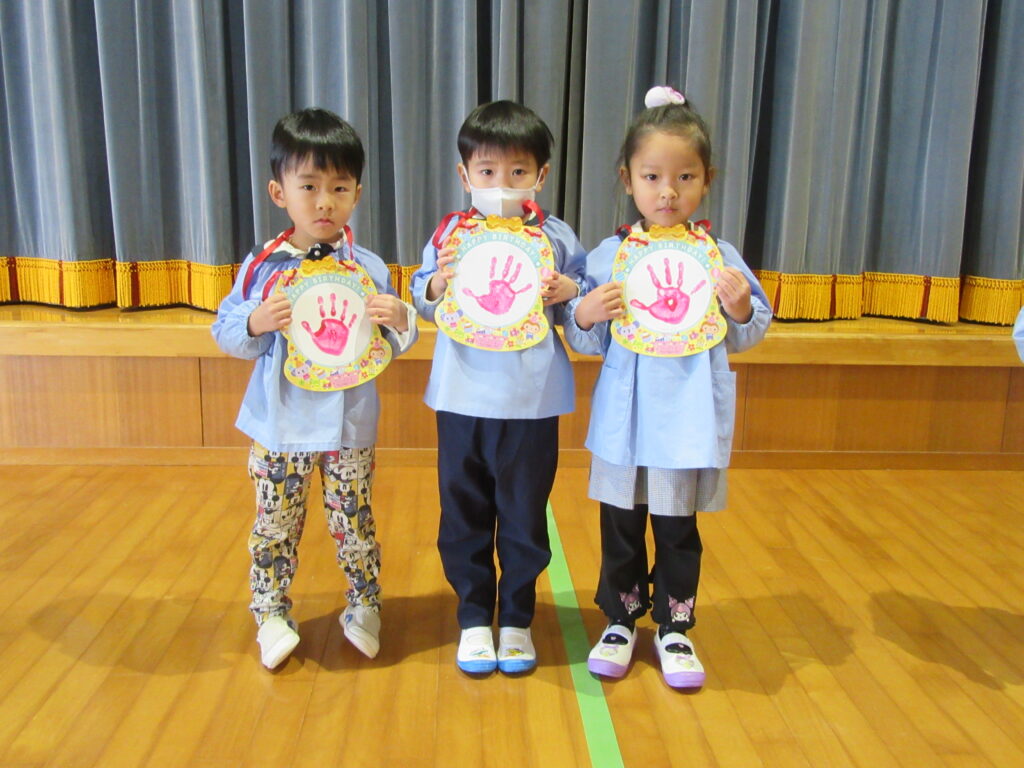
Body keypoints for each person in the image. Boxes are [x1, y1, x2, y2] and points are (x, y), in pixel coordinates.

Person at [563, 87, 771, 689]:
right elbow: (583, 337)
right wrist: (584, 315)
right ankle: (621, 619)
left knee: (679, 526)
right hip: (626, 421)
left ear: (707, 181)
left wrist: (739, 307)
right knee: (621, 523)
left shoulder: (717, 255)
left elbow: (751, 328)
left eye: (685, 177)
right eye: (652, 177)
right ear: (627, 180)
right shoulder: (611, 255)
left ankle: (676, 625)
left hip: (686, 419)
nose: (668, 192)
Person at [212, 108, 417, 670]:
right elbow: (226, 330)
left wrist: (400, 317)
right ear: (279, 192)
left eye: (339, 188)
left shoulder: (367, 267)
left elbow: (394, 341)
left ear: (356, 194)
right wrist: (256, 321)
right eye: (309, 187)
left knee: (355, 520)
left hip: (350, 426)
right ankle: (270, 611)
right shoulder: (262, 267)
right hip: (280, 427)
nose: (325, 202)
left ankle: (364, 603)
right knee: (274, 524)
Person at [411, 101, 586, 675]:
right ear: (465, 176)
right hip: (461, 396)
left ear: (541, 174)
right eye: (487, 171)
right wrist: (437, 283)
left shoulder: (555, 237)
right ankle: (471, 616)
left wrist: (570, 294)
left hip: (531, 402)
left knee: (523, 512)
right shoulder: (451, 234)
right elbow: (423, 297)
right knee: (462, 509)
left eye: (518, 171)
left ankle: (515, 618)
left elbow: (581, 309)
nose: (502, 183)